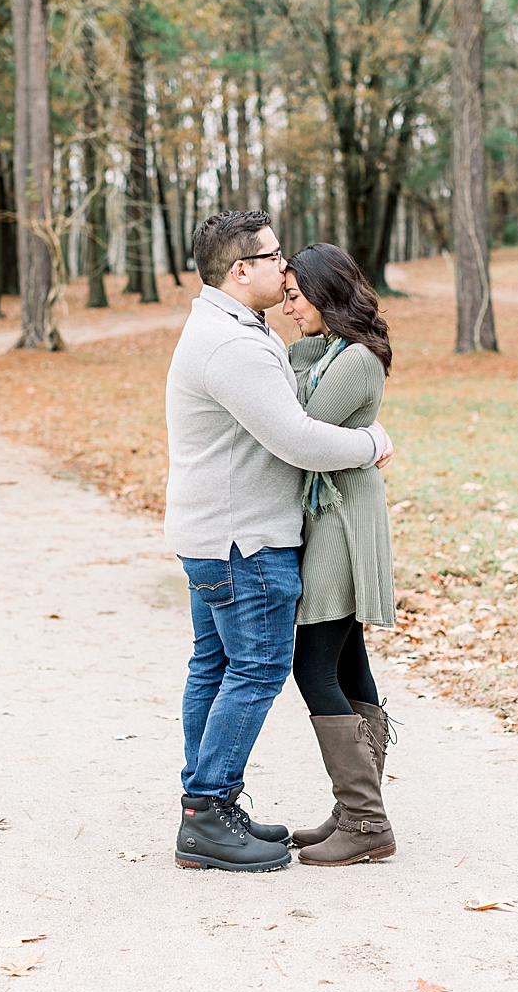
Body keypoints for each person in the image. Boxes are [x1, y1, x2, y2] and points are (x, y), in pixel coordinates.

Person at [165, 210, 393, 873]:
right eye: (273, 257)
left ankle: (211, 806)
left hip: (218, 533)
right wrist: (374, 441)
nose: (281, 266)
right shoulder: (234, 345)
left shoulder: (228, 327)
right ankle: (208, 811)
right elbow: (296, 438)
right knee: (260, 668)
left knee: (215, 668)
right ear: (243, 269)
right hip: (243, 540)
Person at [277, 243, 398, 867]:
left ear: (327, 294)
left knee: (311, 663)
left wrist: (288, 368)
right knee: (348, 660)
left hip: (343, 518)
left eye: (297, 297)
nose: (289, 308)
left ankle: (366, 817)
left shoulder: (353, 359)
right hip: (333, 511)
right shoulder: (325, 351)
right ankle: (358, 808)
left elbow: (299, 427)